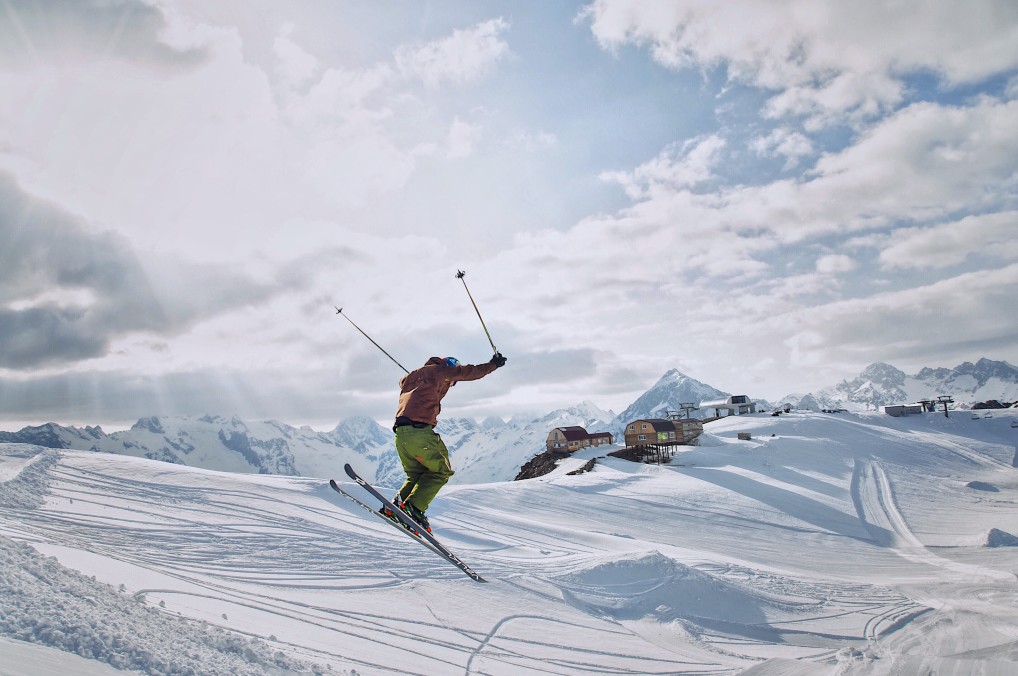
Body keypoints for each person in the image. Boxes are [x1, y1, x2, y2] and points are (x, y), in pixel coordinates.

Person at [384, 353, 507, 533]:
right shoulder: (441, 371)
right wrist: (493, 364)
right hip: (419, 433)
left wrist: (419, 376)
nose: (451, 384)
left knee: (417, 474)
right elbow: (470, 372)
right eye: (452, 380)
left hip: (401, 435)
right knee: (441, 471)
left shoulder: (413, 377)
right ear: (448, 366)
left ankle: (396, 507)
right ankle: (414, 509)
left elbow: (402, 382)